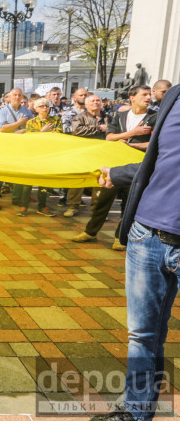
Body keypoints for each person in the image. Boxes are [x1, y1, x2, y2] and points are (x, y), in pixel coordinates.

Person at [90, 83, 180, 421]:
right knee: (142, 334)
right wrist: (118, 174)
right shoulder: (175, 95)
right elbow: (161, 160)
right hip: (147, 235)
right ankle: (135, 411)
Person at [73, 86, 156, 249]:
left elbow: (155, 144)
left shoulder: (156, 117)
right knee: (102, 200)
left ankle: (120, 237)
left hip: (137, 167)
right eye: (144, 94)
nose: (148, 98)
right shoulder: (120, 115)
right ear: (132, 97)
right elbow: (110, 137)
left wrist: (134, 146)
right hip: (115, 165)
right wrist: (132, 133)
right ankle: (90, 232)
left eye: (150, 95)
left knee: (129, 203)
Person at [0, 88, 33, 215]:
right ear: (9, 96)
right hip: (6, 145)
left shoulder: (26, 111)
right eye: (15, 95)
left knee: (19, 171)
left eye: (19, 95)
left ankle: (16, 198)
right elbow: (2, 128)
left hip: (21, 146)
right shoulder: (4, 110)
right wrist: (19, 123)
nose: (17, 97)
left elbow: (32, 126)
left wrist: (24, 130)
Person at [24, 97, 62, 216]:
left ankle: (42, 205)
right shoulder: (31, 122)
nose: (45, 108)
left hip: (49, 154)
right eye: (41, 106)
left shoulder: (56, 120)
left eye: (46, 105)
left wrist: (40, 134)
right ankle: (24, 205)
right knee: (28, 180)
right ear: (35, 108)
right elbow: (30, 139)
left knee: (44, 180)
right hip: (34, 154)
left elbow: (59, 135)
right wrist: (43, 132)